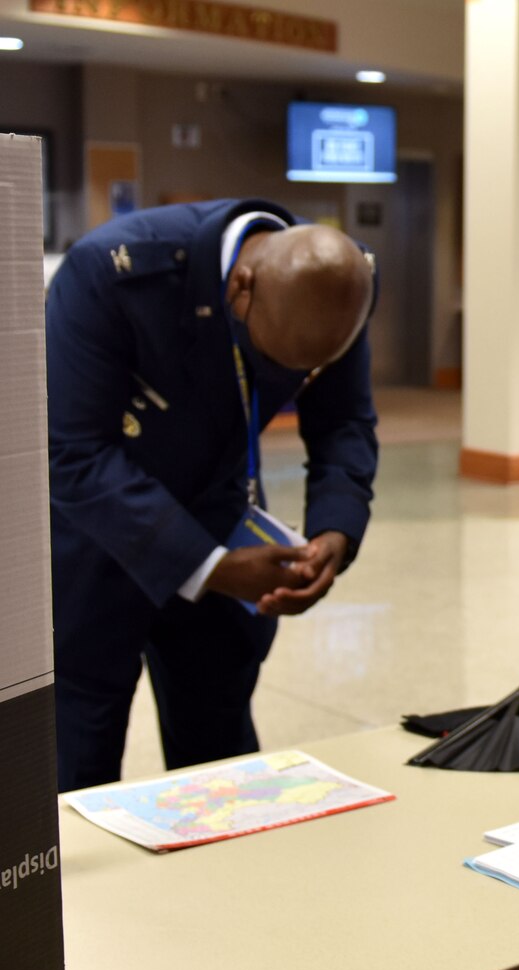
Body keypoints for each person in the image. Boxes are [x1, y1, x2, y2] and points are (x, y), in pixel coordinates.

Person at [45, 200, 378, 792]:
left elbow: (344, 421)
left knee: (222, 771)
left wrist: (335, 530)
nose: (292, 378)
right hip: (100, 537)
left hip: (223, 518)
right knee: (78, 767)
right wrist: (209, 567)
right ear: (240, 290)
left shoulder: (336, 288)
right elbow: (73, 452)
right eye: (277, 361)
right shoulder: (110, 273)